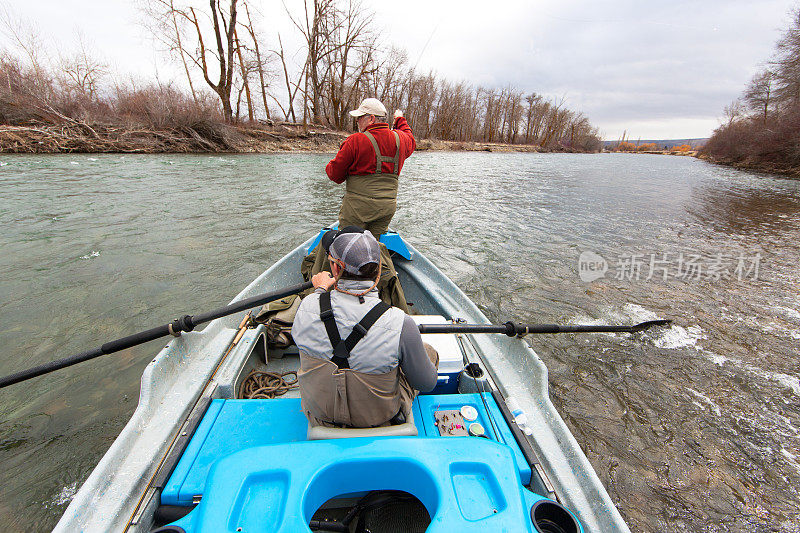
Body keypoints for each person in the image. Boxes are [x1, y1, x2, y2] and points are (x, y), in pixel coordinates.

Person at [292, 226, 438, 428]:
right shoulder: (401, 322)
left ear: (335, 269)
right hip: (379, 419)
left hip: (320, 415)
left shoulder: (307, 306)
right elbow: (426, 384)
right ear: (379, 269)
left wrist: (320, 290)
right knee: (429, 353)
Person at [325, 98, 416, 237]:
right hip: (386, 208)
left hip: (357, 209)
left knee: (349, 245)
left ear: (371, 119)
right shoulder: (401, 139)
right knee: (374, 246)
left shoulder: (355, 141)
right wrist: (399, 119)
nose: (357, 121)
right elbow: (410, 137)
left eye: (359, 118)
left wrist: (332, 163)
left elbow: (335, 176)